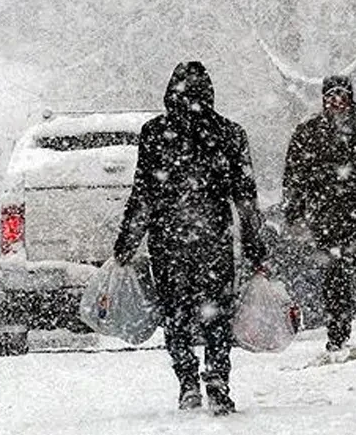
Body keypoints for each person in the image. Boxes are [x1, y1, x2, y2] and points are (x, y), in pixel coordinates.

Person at [114, 61, 267, 416]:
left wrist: (127, 242)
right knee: (216, 315)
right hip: (213, 239)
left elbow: (144, 195)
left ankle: (187, 381)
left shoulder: (154, 133)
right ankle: (217, 381)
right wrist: (255, 246)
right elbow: (245, 197)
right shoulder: (229, 133)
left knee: (177, 313)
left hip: (169, 241)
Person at [283, 75, 356, 352]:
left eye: (341, 95)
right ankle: (338, 332)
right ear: (323, 98)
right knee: (335, 277)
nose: (337, 101)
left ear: (351, 97)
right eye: (331, 95)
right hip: (327, 216)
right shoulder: (309, 132)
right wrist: (294, 212)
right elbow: (294, 176)